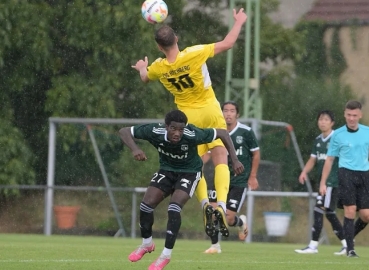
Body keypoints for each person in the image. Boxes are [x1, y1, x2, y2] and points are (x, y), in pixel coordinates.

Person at [131, 9, 248, 238]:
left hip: (186, 118)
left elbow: (145, 78)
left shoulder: (159, 67)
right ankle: (221, 206)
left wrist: (142, 67)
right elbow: (228, 42)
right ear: (177, 39)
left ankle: (205, 203)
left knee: (194, 165)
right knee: (220, 153)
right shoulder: (194, 53)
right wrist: (239, 22)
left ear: (158, 47)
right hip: (210, 108)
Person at [119, 110, 243, 270]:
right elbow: (124, 132)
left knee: (174, 208)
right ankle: (147, 244)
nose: (177, 133)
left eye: (181, 129)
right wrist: (135, 149)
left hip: (190, 172)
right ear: (166, 127)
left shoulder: (192, 134)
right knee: (146, 205)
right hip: (166, 170)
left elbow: (223, 133)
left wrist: (234, 159)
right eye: (173, 129)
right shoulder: (154, 131)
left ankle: (165, 255)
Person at [204, 101, 260, 254]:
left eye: (232, 111)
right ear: (221, 113)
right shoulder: (216, 132)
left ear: (237, 114)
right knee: (212, 213)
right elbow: (207, 155)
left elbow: (256, 154)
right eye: (225, 110)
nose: (228, 114)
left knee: (228, 218)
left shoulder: (246, 132)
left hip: (239, 181)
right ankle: (215, 246)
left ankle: (240, 222)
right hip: (219, 179)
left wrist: (253, 176)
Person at [319, 101, 369, 257]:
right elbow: (329, 160)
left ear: (360, 115)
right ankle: (350, 249)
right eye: (349, 115)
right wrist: (323, 182)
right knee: (350, 210)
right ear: (344, 114)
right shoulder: (338, 135)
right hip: (346, 173)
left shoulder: (367, 132)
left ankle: (349, 237)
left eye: (355, 115)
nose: (352, 118)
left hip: (364, 175)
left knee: (366, 215)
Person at [294, 110, 347, 255]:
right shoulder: (318, 140)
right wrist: (304, 172)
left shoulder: (337, 138)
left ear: (332, 123)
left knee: (319, 209)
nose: (322, 122)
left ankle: (313, 245)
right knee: (329, 212)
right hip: (323, 182)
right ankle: (347, 244)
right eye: (320, 119)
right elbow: (313, 159)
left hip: (332, 182)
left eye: (326, 119)